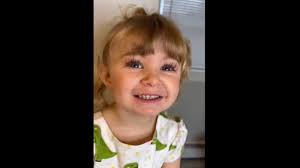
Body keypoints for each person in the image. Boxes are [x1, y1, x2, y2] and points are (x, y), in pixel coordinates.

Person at [94, 7, 191, 168]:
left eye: (167, 67)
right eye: (135, 64)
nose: (152, 79)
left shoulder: (173, 133)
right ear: (107, 76)